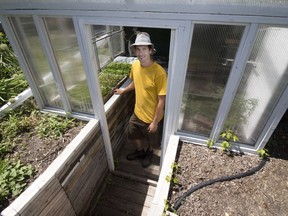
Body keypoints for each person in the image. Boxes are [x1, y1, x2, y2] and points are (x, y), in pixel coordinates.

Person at [114, 32, 167, 168]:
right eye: (138, 49)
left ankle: (149, 153)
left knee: (152, 141)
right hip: (137, 113)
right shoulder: (135, 66)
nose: (140, 53)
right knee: (132, 135)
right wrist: (124, 90)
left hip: (152, 117)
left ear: (150, 50)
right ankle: (140, 151)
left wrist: (155, 122)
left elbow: (162, 100)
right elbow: (136, 82)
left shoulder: (159, 72)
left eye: (144, 49)